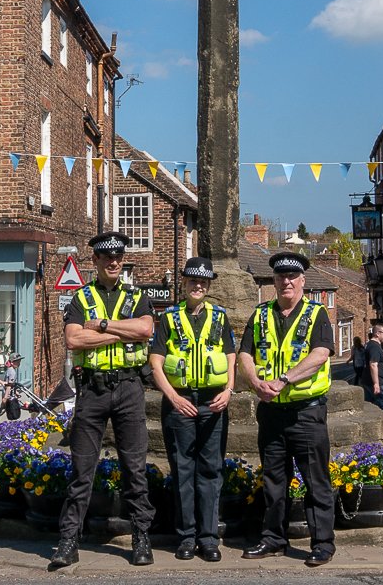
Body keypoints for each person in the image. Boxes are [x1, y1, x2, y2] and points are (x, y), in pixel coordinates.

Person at [49, 231, 156, 571]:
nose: (114, 262)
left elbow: (145, 331)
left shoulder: (136, 295)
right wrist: (118, 331)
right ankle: (68, 541)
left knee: (134, 468)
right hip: (91, 391)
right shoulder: (82, 297)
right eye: (107, 257)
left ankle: (141, 538)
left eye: (119, 257)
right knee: (82, 470)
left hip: (128, 388)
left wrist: (103, 326)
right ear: (94, 261)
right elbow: (72, 339)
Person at [238, 251, 336, 568]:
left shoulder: (317, 313)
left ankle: (322, 544)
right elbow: (245, 354)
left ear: (302, 281)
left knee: (315, 481)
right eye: (281, 277)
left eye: (292, 277)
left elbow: (321, 354)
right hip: (271, 412)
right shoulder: (261, 313)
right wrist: (255, 382)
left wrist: (283, 380)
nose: (286, 282)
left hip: (306, 411)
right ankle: (273, 539)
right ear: (274, 282)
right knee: (273, 482)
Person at [149, 257, 235, 563]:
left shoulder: (220, 316)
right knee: (183, 471)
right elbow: (156, 361)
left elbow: (230, 354)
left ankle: (209, 539)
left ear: (208, 286)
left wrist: (229, 390)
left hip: (213, 401)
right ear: (184, 284)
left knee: (211, 471)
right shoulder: (169, 317)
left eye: (203, 282)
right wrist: (173, 397)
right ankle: (186, 537)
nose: (197, 286)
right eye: (192, 281)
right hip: (180, 401)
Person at [362, 323, 383, 413]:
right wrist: (376, 384)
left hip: (374, 381)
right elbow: (373, 364)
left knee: (372, 410)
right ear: (378, 333)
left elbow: (380, 365)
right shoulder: (374, 346)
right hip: (379, 384)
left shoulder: (372, 345)